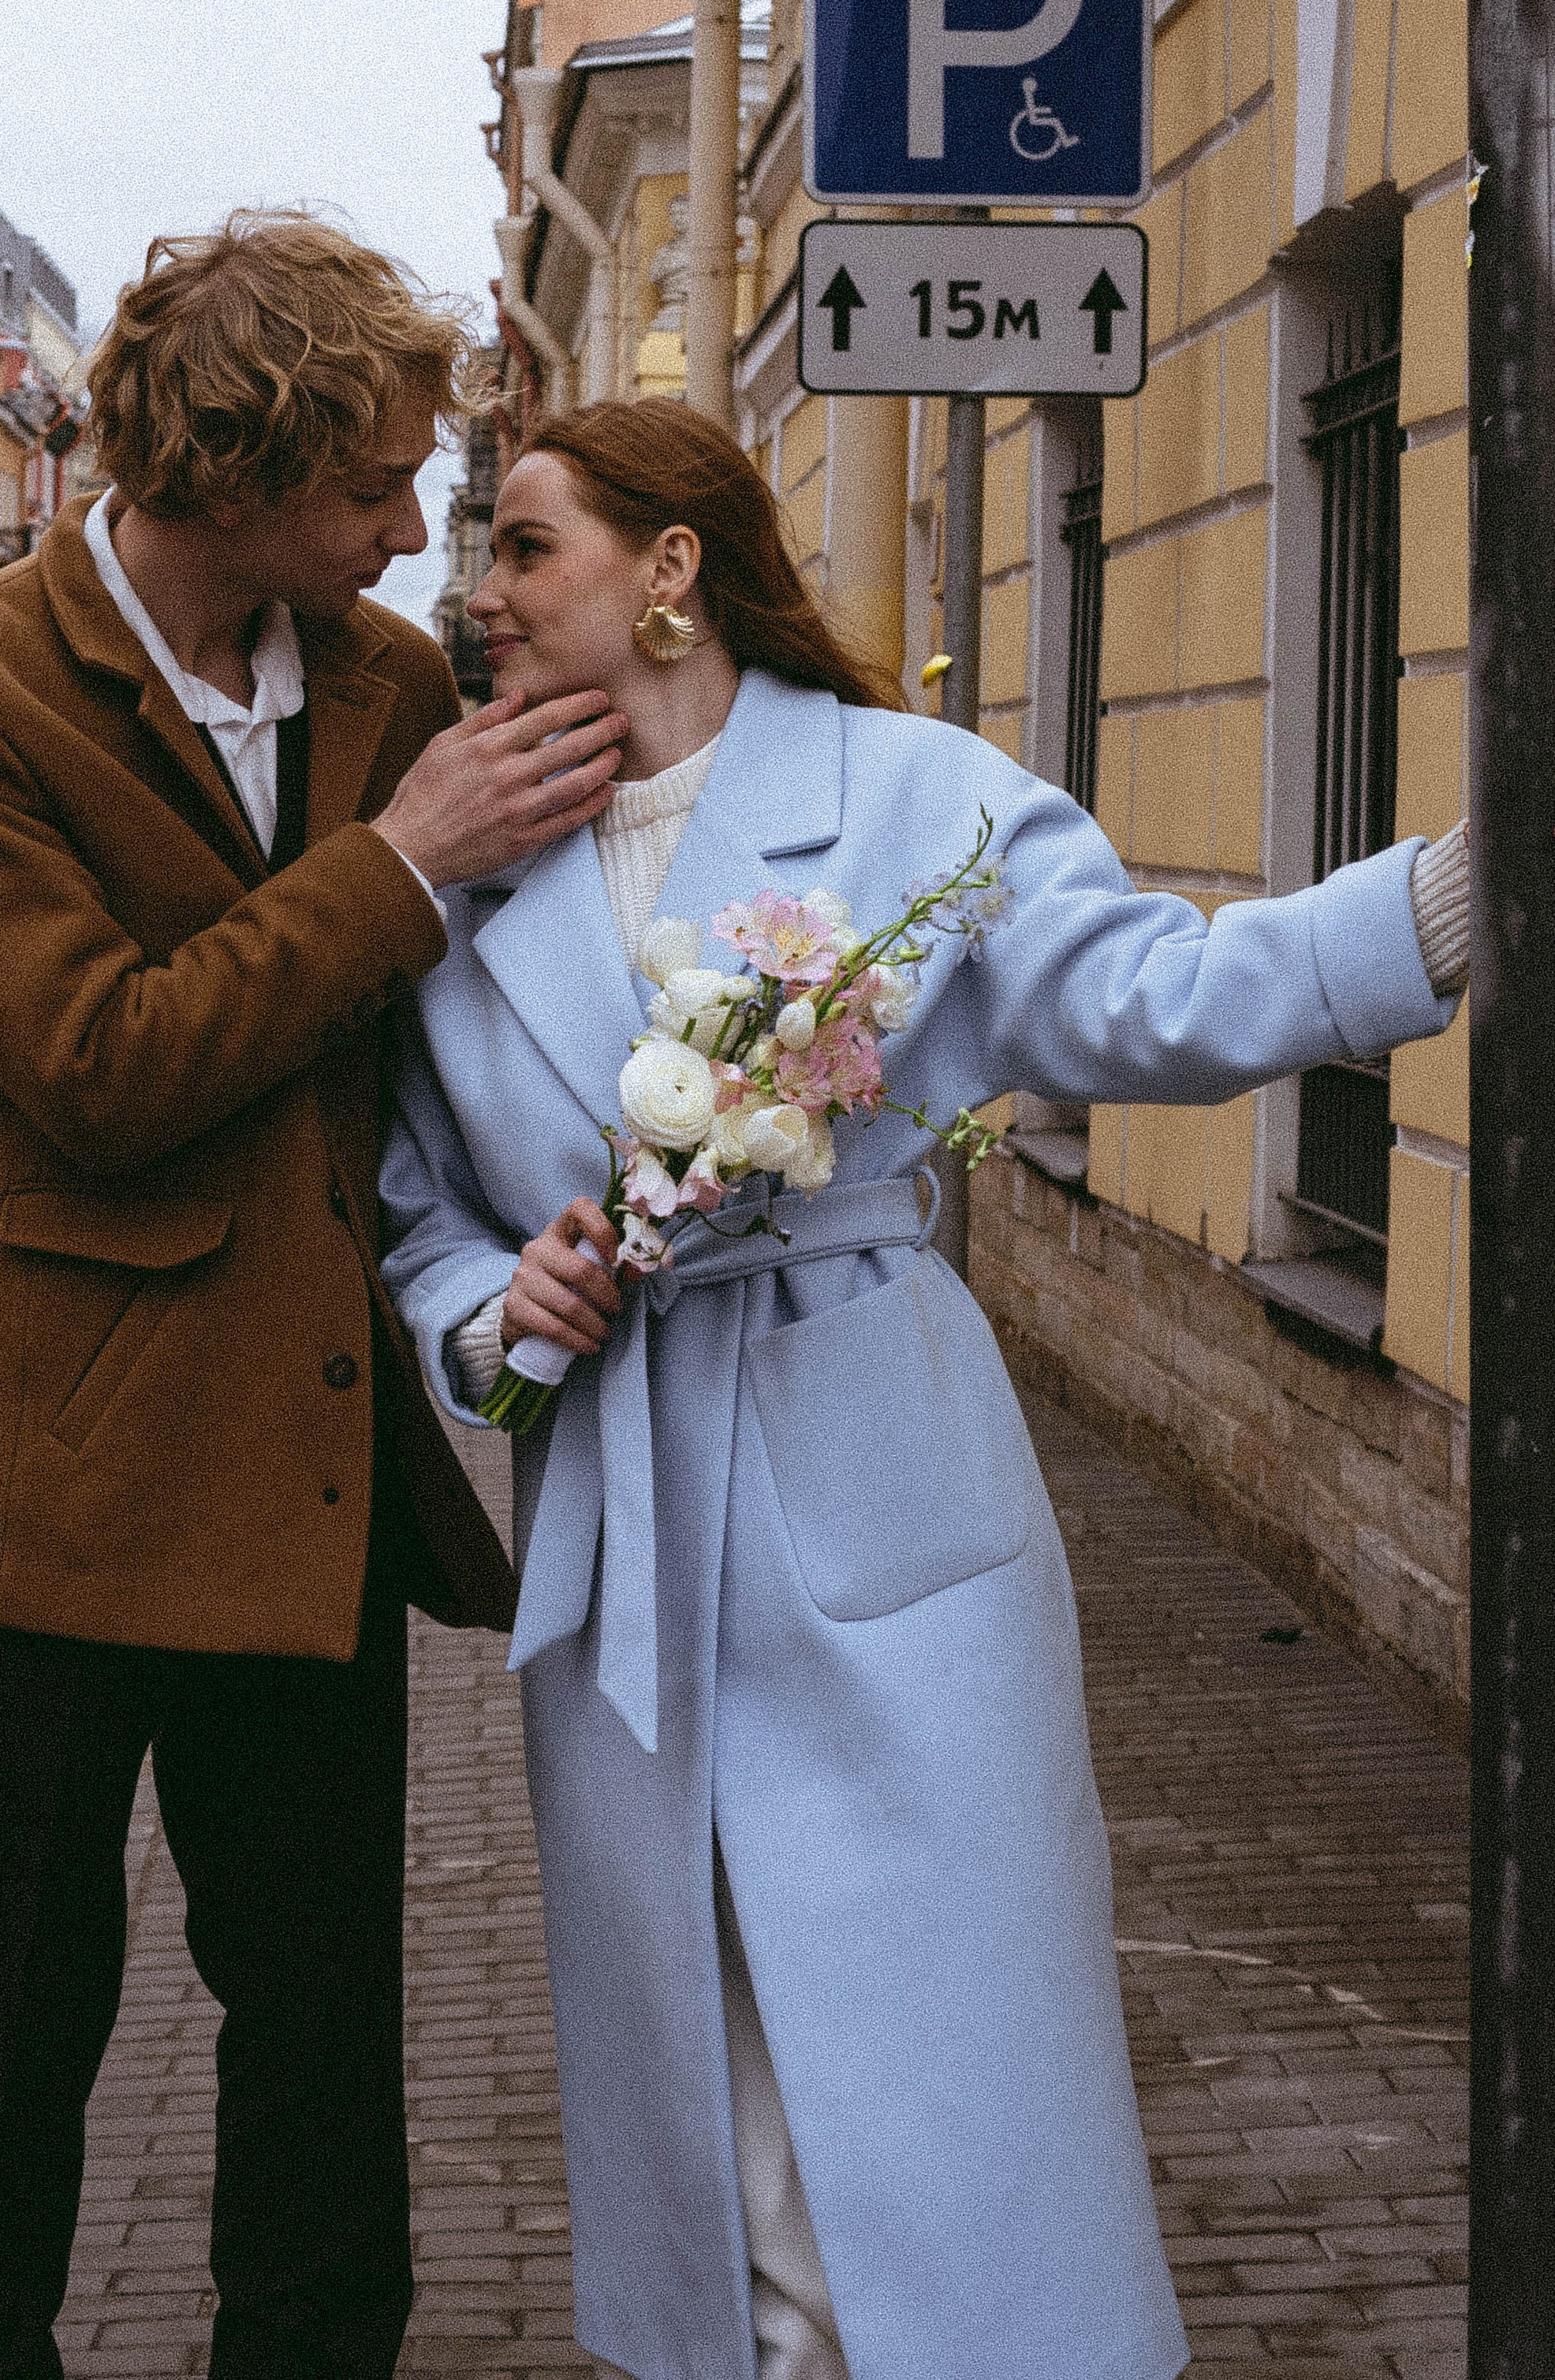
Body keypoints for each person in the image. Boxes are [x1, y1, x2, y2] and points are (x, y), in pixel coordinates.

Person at [379, 398, 1471, 2380]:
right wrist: (499, 1306)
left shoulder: (902, 798)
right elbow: (414, 1220)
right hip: (623, 1541)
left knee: (945, 2059)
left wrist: (1449, 905)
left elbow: (1155, 1000)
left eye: (527, 549)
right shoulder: (461, 879)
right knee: (721, 2110)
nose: (481, 598)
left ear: (670, 568)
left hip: (873, 1476)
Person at [0, 210, 628, 2380]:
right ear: (240, 470)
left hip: (307, 1464)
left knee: (319, 2045)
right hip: (58, 1478)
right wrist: (397, 868)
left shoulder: (382, 685)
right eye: (374, 487)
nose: (413, 534)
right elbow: (96, 1068)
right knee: (10, 2040)